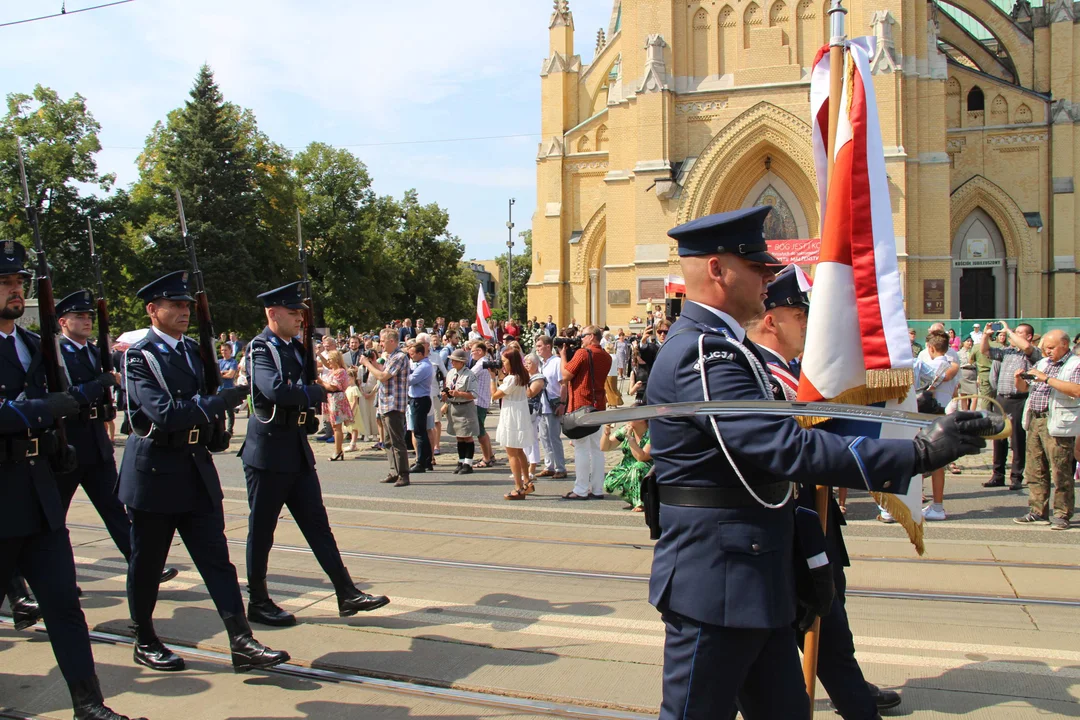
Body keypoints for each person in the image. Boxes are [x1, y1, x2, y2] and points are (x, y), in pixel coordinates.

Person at [646, 207, 994, 718]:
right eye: (758, 267)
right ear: (718, 270)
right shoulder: (704, 353)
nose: (769, 277)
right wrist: (917, 453)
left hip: (755, 571)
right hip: (716, 579)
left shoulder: (727, 348)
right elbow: (782, 447)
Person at [746, 263, 903, 716]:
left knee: (829, 616)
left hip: (812, 519)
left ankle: (847, 685)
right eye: (802, 315)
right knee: (804, 624)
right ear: (772, 319)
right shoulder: (763, 377)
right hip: (784, 525)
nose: (811, 325)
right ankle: (851, 696)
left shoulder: (798, 372)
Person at [0, 245, 145, 720]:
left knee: (64, 604)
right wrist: (45, 409)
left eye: (19, 282)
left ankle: (89, 704)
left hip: (39, 493)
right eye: (5, 284)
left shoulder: (31, 345)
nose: (16, 290)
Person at [119, 270, 287, 675]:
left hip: (193, 467)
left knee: (216, 561)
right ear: (152, 310)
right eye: (174, 305)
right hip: (155, 471)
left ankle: (241, 640)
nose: (183, 311)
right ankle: (144, 637)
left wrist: (214, 421)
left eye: (186, 306)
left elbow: (200, 404)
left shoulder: (192, 350)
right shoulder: (141, 356)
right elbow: (164, 414)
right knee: (147, 563)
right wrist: (220, 401)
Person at [240, 282, 389, 626]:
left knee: (318, 526)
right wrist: (314, 389)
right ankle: (258, 600)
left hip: (295, 449)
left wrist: (309, 389)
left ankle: (346, 591)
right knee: (262, 530)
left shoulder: (295, 347)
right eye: (292, 313)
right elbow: (274, 390)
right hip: (267, 452)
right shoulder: (262, 348)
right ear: (272, 313)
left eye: (300, 313)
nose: (298, 318)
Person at [52, 290, 179, 591]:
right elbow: (68, 396)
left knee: (114, 509)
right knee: (54, 518)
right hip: (67, 443)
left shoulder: (92, 351)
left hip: (96, 442)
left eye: (89, 316)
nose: (86, 321)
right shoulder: (57, 352)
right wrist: (100, 382)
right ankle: (57, 577)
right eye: (79, 316)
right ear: (62, 321)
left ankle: (143, 566)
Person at [1014, 329, 1080, 530]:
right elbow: (1024, 388)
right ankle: (1037, 511)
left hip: (1058, 421)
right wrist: (1019, 379)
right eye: (1044, 348)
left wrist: (1047, 379)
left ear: (1064, 345)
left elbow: (1077, 390)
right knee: (1035, 469)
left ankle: (1062, 513)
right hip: (1036, 419)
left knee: (1060, 469)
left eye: (1051, 348)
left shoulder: (1075, 364)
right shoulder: (1043, 363)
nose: (1047, 351)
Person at [981, 322, 1039, 490]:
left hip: (1019, 399)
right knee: (998, 437)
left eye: (1019, 332)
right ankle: (998, 475)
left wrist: (1007, 330)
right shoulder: (1007, 352)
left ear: (1028, 336)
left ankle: (1016, 476)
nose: (1013, 334)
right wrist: (986, 335)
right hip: (1001, 398)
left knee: (1017, 439)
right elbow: (986, 351)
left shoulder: (1032, 353)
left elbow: (1026, 347)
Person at [560, 325, 613, 500]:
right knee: (597, 449)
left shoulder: (583, 353)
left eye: (583, 336)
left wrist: (562, 356)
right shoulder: (606, 356)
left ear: (591, 337)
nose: (580, 339)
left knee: (581, 448)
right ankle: (597, 489)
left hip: (582, 405)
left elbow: (565, 375)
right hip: (598, 405)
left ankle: (581, 489)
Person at [361, 328, 411, 486]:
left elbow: (383, 377)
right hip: (385, 403)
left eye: (382, 341)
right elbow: (383, 371)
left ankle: (403, 474)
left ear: (392, 341)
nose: (380, 344)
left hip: (394, 404)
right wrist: (375, 362)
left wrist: (367, 364)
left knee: (397, 442)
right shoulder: (390, 356)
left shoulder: (399, 356)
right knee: (388, 442)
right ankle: (394, 471)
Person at [492, 348, 537, 500]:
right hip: (519, 412)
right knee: (519, 451)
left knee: (512, 453)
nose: (502, 364)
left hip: (511, 415)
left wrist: (493, 378)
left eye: (504, 361)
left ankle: (518, 487)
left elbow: (495, 395)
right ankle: (527, 481)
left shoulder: (512, 379)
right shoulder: (520, 375)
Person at [534, 335, 568, 479]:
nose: (537, 349)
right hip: (541, 404)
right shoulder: (541, 363)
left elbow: (564, 384)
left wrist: (562, 403)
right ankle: (549, 466)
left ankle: (561, 467)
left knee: (554, 437)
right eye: (536, 347)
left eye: (540, 346)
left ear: (548, 346)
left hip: (553, 403)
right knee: (544, 437)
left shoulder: (557, 362)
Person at [442, 348, 480, 474]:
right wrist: (446, 396)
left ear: (462, 362)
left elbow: (474, 394)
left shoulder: (469, 375)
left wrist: (459, 393)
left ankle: (468, 463)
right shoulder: (451, 373)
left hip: (465, 407)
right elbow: (448, 387)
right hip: (454, 407)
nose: (452, 363)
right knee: (459, 436)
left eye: (455, 361)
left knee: (467, 436)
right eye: (452, 360)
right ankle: (461, 461)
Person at [601, 419, 651, 511]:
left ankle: (641, 503)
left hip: (648, 467)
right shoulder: (625, 430)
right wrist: (606, 432)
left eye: (632, 416)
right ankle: (633, 499)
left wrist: (630, 439)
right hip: (627, 466)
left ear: (642, 419)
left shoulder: (652, 433)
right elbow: (605, 447)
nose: (628, 419)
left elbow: (642, 457)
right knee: (609, 484)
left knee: (638, 467)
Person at [406, 340, 434, 474]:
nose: (411, 356)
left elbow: (410, 380)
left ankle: (421, 462)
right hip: (417, 399)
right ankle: (427, 459)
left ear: (420, 353)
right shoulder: (419, 364)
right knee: (421, 431)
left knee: (419, 432)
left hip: (420, 399)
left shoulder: (424, 367)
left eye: (413, 354)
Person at [468, 341, 498, 467]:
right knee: (482, 430)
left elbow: (468, 375)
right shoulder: (485, 361)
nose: (471, 354)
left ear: (480, 351)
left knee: (480, 432)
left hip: (478, 401)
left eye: (472, 351)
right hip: (482, 400)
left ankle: (486, 459)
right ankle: (490, 455)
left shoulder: (481, 364)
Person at [319, 350, 351, 461]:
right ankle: (338, 450)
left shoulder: (340, 372)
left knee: (337, 426)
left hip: (336, 398)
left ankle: (338, 450)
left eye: (330, 359)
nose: (328, 361)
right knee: (334, 426)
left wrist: (321, 382)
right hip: (330, 398)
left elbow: (334, 387)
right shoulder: (332, 371)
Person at [523, 354, 546, 481]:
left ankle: (532, 468)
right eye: (525, 363)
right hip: (523, 410)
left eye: (529, 363)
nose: (526, 365)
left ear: (536, 364)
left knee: (532, 440)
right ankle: (524, 468)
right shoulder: (527, 376)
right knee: (524, 440)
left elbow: (530, 393)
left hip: (533, 412)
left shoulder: (539, 378)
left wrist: (523, 381)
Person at [219, 340, 239, 435]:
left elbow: (230, 375)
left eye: (226, 350)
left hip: (229, 389)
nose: (224, 352)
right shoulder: (219, 361)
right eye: (222, 350)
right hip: (219, 389)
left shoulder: (233, 362)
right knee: (220, 411)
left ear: (230, 351)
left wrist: (220, 373)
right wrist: (224, 372)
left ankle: (230, 430)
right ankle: (221, 429)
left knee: (230, 411)